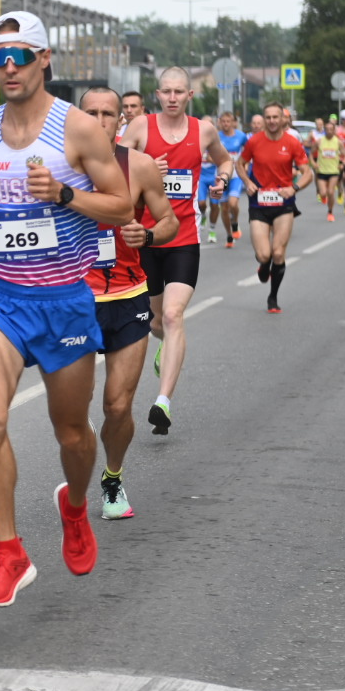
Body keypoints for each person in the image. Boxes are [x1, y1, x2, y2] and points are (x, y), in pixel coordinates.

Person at [0, 11, 131, 608]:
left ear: (43, 59)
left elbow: (121, 203)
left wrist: (62, 194)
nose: (8, 68)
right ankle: (9, 554)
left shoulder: (79, 130)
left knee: (74, 434)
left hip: (63, 302)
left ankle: (76, 507)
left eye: (19, 56)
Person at [78, 87, 179, 521]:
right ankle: (79, 459)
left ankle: (113, 476)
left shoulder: (138, 166)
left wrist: (150, 235)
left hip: (127, 296)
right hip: (74, 300)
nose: (99, 120)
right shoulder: (57, 168)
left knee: (117, 406)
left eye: (108, 113)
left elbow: (170, 219)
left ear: (121, 121)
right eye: (90, 112)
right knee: (72, 410)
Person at [116, 67, 234, 436]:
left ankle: (162, 402)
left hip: (184, 237)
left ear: (189, 96)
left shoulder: (204, 130)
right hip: (145, 238)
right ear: (158, 94)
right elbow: (110, 171)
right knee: (155, 322)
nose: (171, 97)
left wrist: (222, 180)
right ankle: (164, 350)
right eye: (165, 91)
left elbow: (226, 160)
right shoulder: (139, 129)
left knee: (172, 314)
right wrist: (145, 170)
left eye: (178, 92)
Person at [236, 102, 314, 314]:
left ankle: (273, 297)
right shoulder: (254, 141)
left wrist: (294, 188)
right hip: (258, 203)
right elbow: (239, 164)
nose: (271, 121)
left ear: (283, 119)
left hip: (283, 204)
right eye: (267, 117)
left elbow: (308, 172)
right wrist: (247, 182)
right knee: (264, 255)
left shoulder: (292, 143)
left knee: (278, 253)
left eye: (275, 117)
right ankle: (263, 265)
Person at [213, 111, 248, 245]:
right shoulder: (216, 136)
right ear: (220, 122)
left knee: (233, 203)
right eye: (223, 121)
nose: (226, 124)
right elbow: (208, 154)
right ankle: (229, 234)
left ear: (234, 122)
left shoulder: (241, 136)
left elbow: (248, 151)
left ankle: (235, 222)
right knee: (224, 208)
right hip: (221, 177)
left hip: (235, 176)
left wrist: (245, 164)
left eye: (229, 121)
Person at [313, 118, 342, 221]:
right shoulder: (319, 141)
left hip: (334, 171)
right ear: (324, 130)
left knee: (330, 192)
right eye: (327, 129)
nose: (329, 131)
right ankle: (324, 197)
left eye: (331, 129)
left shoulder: (338, 142)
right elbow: (311, 155)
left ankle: (330, 212)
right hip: (321, 171)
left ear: (334, 130)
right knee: (323, 193)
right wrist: (313, 163)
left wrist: (342, 164)